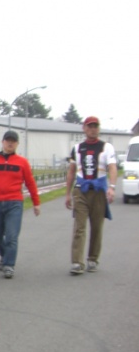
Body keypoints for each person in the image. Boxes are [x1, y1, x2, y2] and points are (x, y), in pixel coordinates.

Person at [0, 130, 40, 279]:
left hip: (14, 202)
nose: (10, 143)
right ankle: (5, 256)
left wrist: (36, 203)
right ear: (3, 142)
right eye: (7, 140)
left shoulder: (22, 162)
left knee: (11, 235)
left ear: (17, 144)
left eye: (13, 141)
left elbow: (30, 183)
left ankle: (9, 265)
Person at [64, 116, 117, 274]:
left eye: (95, 126)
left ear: (99, 128)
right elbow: (72, 171)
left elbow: (112, 167)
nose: (93, 129)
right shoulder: (77, 148)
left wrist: (112, 187)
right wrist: (67, 194)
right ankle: (77, 262)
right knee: (79, 227)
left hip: (99, 190)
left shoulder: (106, 147)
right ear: (84, 128)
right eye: (90, 126)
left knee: (96, 226)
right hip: (81, 190)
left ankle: (93, 258)